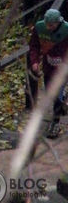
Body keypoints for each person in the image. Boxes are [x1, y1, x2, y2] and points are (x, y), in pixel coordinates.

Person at [29, 8, 68, 138]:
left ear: (58, 23)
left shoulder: (66, 30)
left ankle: (55, 123)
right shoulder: (40, 28)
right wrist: (34, 62)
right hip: (48, 67)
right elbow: (34, 45)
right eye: (47, 24)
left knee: (57, 93)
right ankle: (61, 106)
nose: (48, 27)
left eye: (51, 25)